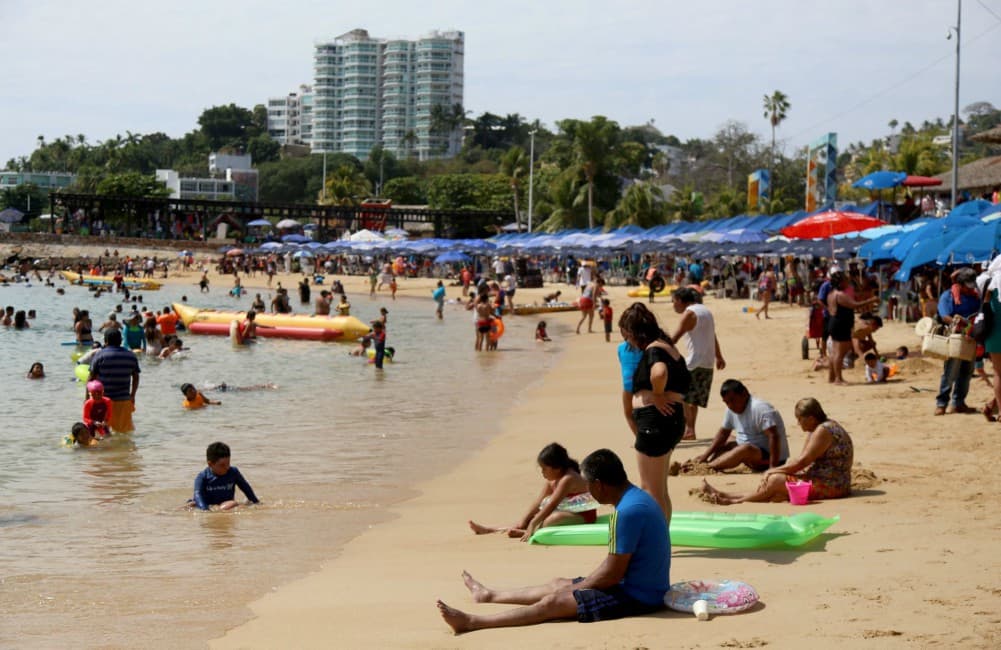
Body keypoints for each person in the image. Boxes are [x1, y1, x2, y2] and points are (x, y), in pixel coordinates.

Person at [437, 448, 669, 634]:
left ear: (599, 484)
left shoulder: (627, 512)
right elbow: (614, 566)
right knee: (557, 583)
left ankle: (472, 622)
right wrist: (576, 585)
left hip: (639, 596)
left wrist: (576, 588)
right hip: (634, 584)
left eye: (588, 485)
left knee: (553, 602)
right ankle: (489, 595)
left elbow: (613, 574)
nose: (588, 491)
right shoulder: (635, 499)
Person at [697, 398, 854, 504]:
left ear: (811, 418)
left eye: (800, 419)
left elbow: (802, 462)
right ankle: (726, 495)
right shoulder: (822, 427)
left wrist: (771, 471)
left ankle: (732, 500)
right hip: (829, 479)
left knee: (775, 480)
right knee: (776, 481)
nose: (799, 424)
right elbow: (803, 460)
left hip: (833, 486)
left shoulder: (822, 431)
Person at [619, 302, 690, 520]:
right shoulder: (669, 347)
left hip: (655, 423)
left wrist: (657, 395)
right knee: (659, 490)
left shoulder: (653, 350)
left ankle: (657, 542)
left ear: (633, 333)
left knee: (650, 489)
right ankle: (662, 539)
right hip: (669, 421)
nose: (627, 342)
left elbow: (659, 373)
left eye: (626, 336)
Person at [468, 443, 597, 540]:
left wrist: (534, 523)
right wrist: (524, 520)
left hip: (583, 515)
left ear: (556, 468)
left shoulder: (568, 478)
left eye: (544, 469)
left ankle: (526, 532)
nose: (542, 472)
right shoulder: (552, 480)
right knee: (531, 519)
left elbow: (552, 504)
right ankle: (490, 529)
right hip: (566, 509)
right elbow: (539, 501)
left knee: (553, 519)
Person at [681, 379, 789, 473]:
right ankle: (707, 462)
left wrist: (773, 468)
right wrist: (705, 456)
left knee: (745, 448)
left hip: (769, 459)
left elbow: (773, 436)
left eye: (733, 400)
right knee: (728, 438)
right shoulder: (730, 409)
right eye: (726, 402)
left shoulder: (760, 408)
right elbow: (723, 433)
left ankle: (709, 466)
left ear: (744, 393)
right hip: (749, 455)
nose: (730, 405)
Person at [669, 287, 726, 441]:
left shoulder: (689, 314)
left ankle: (686, 429)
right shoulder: (706, 311)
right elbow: (712, 336)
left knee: (679, 395)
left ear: (680, 301)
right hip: (707, 362)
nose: (673, 305)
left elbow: (674, 339)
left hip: (694, 361)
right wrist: (718, 356)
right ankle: (690, 431)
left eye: (673, 301)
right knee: (692, 399)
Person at [935, 267, 980, 415]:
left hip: (971, 338)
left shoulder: (975, 296)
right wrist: (964, 323)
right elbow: (945, 316)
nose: (970, 289)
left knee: (967, 372)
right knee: (950, 372)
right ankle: (941, 404)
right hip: (955, 338)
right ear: (960, 284)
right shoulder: (948, 295)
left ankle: (958, 403)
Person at [827, 272, 878, 385]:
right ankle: (838, 379)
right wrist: (872, 300)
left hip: (834, 323)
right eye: (845, 279)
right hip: (840, 324)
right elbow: (855, 305)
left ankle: (832, 377)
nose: (847, 281)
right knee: (840, 353)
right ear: (841, 283)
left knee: (835, 352)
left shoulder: (831, 294)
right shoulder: (840, 295)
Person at [88, 329, 140, 434]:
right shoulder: (131, 356)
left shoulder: (100, 355)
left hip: (102, 401)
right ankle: (124, 450)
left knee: (102, 433)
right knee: (124, 433)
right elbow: (136, 376)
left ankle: (109, 450)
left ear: (106, 341)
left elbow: (91, 378)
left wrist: (87, 399)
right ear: (121, 340)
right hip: (124, 400)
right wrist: (133, 395)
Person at [188, 442, 259, 511]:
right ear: (210, 464)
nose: (227, 467)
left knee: (233, 503)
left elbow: (246, 488)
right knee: (190, 504)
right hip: (208, 505)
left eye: (228, 463)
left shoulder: (233, 472)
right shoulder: (203, 477)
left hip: (226, 504)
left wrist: (256, 502)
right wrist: (205, 510)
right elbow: (198, 494)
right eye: (222, 465)